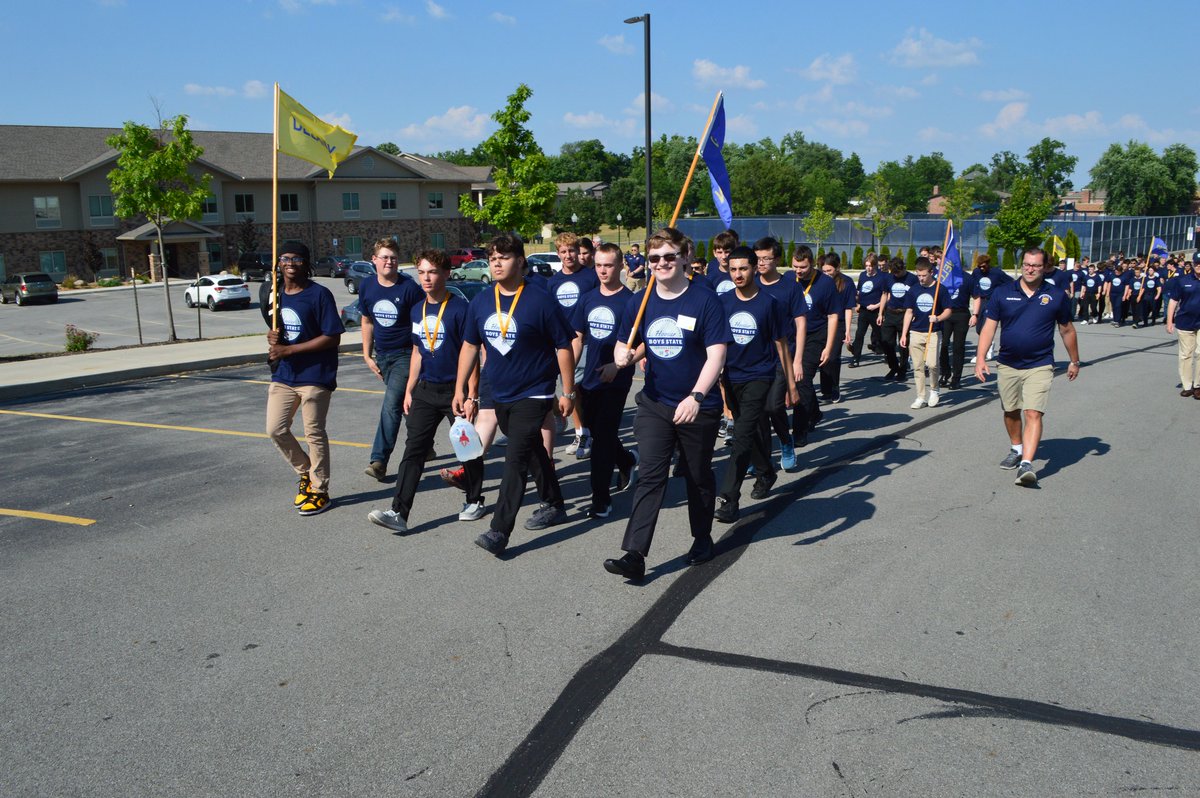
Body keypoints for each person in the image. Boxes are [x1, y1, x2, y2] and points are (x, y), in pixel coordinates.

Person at [602, 227, 731, 582]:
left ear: (685, 257)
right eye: (654, 258)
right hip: (656, 403)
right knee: (651, 476)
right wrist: (622, 356)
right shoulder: (640, 301)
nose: (661, 263)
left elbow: (716, 355)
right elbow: (622, 343)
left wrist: (697, 396)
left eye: (669, 256)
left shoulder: (704, 300)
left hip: (697, 405)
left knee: (698, 475)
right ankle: (634, 554)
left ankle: (702, 537)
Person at [455, 234, 577, 556]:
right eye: (492, 256)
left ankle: (499, 530)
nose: (496, 262)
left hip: (534, 392)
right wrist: (460, 388)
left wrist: (568, 391)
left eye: (504, 257)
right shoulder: (481, 301)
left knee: (515, 458)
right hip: (500, 392)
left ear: (521, 261)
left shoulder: (540, 300)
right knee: (533, 448)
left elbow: (563, 346)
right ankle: (553, 502)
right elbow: (470, 345)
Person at [368, 250, 485, 533]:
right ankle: (399, 512)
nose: (426, 278)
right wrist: (409, 389)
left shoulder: (460, 309)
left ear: (446, 274)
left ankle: (474, 500)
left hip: (454, 391)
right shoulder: (417, 309)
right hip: (425, 390)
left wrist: (471, 396)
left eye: (432, 272)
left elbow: (472, 354)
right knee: (413, 451)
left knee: (466, 447)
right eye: (421, 272)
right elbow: (418, 350)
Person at [974, 247, 1081, 487]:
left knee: (1033, 412)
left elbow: (1067, 330)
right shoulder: (1003, 293)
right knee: (1011, 411)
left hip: (1040, 364)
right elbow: (989, 327)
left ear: (1044, 267)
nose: (1030, 269)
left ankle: (1026, 465)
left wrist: (1074, 361)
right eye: (1027, 264)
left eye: (1036, 265)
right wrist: (981, 358)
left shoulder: (1055, 295)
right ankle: (1016, 448)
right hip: (1008, 364)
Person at [714, 246, 796, 523]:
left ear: (754, 269)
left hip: (760, 376)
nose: (738, 274)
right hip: (731, 376)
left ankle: (728, 498)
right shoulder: (722, 302)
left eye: (743, 268)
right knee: (747, 432)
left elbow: (781, 344)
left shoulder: (769, 303)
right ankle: (766, 472)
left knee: (741, 435)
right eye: (733, 269)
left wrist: (792, 384)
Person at [264, 241, 344, 516]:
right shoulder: (275, 293)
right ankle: (306, 472)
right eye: (285, 258)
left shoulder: (319, 294)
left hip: (315, 375)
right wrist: (273, 338)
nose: (289, 263)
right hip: (284, 373)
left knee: (313, 433)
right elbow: (277, 328)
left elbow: (333, 336)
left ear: (305, 263)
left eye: (296, 258)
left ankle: (320, 491)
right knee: (275, 429)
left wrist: (289, 349)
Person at [571, 242, 638, 519]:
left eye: (608, 265)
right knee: (600, 434)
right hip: (590, 380)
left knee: (600, 442)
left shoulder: (631, 301)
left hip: (617, 380)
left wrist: (619, 364)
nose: (602, 270)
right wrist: (566, 374)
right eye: (598, 265)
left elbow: (642, 344)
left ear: (621, 265)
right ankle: (627, 460)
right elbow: (577, 337)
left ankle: (601, 499)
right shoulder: (587, 298)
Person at [359, 238, 425, 481]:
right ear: (374, 260)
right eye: (384, 257)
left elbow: (422, 323)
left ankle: (379, 460)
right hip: (383, 356)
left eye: (394, 257)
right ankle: (424, 444)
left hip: (406, 355)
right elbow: (367, 321)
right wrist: (367, 355)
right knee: (408, 406)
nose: (389, 261)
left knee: (391, 405)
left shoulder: (409, 289)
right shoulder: (367, 286)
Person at [753, 236, 805, 470]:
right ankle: (760, 456)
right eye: (758, 258)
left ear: (776, 259)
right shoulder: (751, 283)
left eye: (766, 258)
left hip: (783, 356)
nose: (761, 263)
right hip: (755, 357)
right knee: (756, 410)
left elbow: (801, 324)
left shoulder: (790, 286)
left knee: (774, 406)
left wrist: (797, 361)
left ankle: (785, 441)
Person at [548, 232, 600, 457]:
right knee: (572, 390)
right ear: (558, 254)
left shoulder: (590, 277)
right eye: (563, 251)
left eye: (572, 250)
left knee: (582, 389)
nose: (568, 255)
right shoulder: (553, 282)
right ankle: (581, 432)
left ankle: (588, 432)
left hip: (588, 341)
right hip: (563, 344)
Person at [790, 245, 838, 440]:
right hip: (792, 336)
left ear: (811, 264)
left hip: (815, 336)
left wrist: (828, 347)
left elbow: (833, 316)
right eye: (795, 267)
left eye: (802, 267)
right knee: (796, 381)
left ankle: (800, 430)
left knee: (802, 380)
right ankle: (815, 412)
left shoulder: (825, 283)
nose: (798, 271)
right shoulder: (789, 279)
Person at [900, 257, 952, 408]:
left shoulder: (939, 289)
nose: (921, 278)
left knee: (932, 364)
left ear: (931, 273)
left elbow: (948, 310)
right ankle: (920, 396)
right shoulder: (914, 289)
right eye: (918, 275)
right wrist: (904, 334)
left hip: (933, 332)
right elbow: (909, 312)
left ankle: (934, 390)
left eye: (924, 275)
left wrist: (938, 318)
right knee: (917, 366)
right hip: (916, 331)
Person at [819, 253, 855, 403]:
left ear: (838, 268)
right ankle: (825, 390)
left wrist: (847, 330)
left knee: (832, 357)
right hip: (822, 323)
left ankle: (834, 387)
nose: (826, 274)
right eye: (824, 271)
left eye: (829, 271)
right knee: (822, 357)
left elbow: (848, 308)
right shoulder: (819, 281)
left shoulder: (846, 283)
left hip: (838, 323)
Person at [878, 257, 919, 381]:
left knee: (904, 344)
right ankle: (893, 367)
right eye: (894, 273)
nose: (896, 275)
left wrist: (915, 313)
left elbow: (917, 297)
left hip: (905, 314)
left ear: (903, 268)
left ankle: (902, 369)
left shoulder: (912, 279)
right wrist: (880, 313)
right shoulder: (888, 278)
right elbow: (884, 295)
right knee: (886, 342)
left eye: (898, 273)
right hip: (891, 313)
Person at [937, 256, 975, 390]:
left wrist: (975, 314)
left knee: (958, 347)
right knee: (943, 344)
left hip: (961, 314)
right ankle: (945, 373)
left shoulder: (968, 278)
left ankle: (956, 378)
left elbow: (976, 297)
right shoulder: (943, 277)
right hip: (945, 314)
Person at [970, 254, 1013, 365]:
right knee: (979, 328)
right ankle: (990, 343)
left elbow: (1011, 282)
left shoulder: (997, 273)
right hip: (981, 300)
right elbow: (973, 284)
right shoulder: (976, 272)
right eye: (979, 266)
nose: (982, 269)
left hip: (992, 301)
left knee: (986, 326)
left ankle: (980, 354)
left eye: (983, 266)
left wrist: (1001, 295)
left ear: (988, 264)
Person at [1166, 262, 1200, 397]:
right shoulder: (1182, 281)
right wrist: (1170, 321)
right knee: (1186, 355)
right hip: (1185, 322)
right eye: (1197, 263)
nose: (1199, 266)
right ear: (1193, 265)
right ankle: (1187, 385)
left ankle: (1198, 385)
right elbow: (1173, 301)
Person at [849, 252, 884, 368]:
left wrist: (877, 306)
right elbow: (860, 291)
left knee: (880, 335)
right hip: (864, 310)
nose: (868, 268)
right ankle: (855, 358)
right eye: (867, 266)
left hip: (875, 310)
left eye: (871, 266)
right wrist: (858, 303)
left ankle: (889, 355)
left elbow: (886, 295)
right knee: (859, 334)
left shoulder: (881, 277)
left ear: (875, 266)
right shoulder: (863, 275)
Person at [706, 229, 739, 295]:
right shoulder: (709, 278)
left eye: (727, 252)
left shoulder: (739, 275)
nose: (723, 256)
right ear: (714, 253)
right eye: (719, 252)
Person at [1106, 262, 1131, 327]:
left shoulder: (1124, 277)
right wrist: (1108, 292)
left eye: (1118, 272)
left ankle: (1118, 321)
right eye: (1116, 271)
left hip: (1120, 293)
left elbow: (1127, 286)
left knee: (1118, 306)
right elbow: (1109, 283)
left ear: (1121, 271)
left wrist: (1125, 295)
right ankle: (1115, 319)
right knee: (1114, 307)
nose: (1116, 273)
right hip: (1112, 293)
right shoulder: (1112, 275)